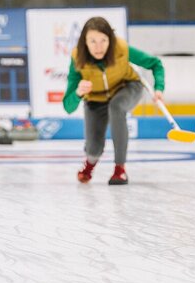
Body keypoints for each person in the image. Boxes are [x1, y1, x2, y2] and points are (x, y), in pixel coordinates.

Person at [62, 16, 165, 185]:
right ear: (84, 42)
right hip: (95, 98)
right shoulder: (77, 59)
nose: (99, 47)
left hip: (127, 87)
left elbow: (155, 64)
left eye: (103, 40)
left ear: (110, 39)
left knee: (116, 106)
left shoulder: (121, 49)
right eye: (92, 41)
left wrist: (159, 88)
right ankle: (89, 163)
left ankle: (120, 169)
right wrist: (78, 93)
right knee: (94, 150)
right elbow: (68, 106)